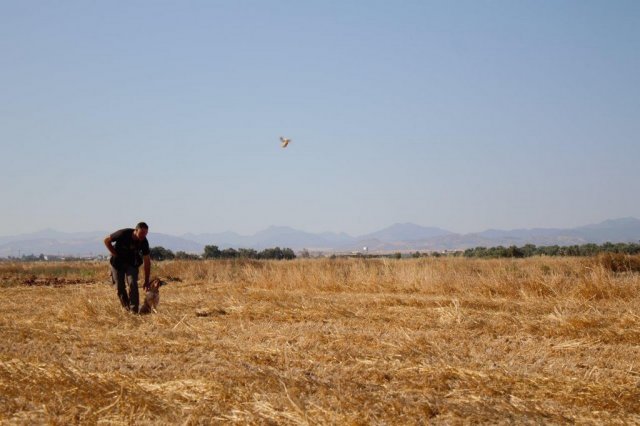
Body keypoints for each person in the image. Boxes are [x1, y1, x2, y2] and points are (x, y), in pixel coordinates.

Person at [104, 222, 151, 313]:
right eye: (141, 233)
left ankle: (134, 311)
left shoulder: (144, 242)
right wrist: (114, 253)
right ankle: (126, 308)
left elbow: (147, 262)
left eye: (145, 234)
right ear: (135, 230)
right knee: (120, 287)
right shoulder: (123, 233)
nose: (143, 236)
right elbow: (106, 240)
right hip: (117, 263)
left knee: (133, 283)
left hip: (132, 264)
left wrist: (146, 281)